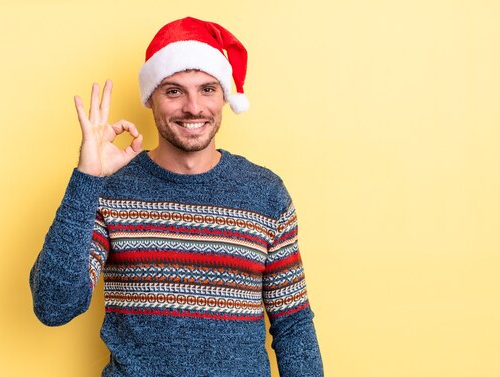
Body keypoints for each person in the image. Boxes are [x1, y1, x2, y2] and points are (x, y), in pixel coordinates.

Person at [30, 17, 323, 376]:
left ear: (224, 96)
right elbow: (54, 306)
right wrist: (87, 179)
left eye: (207, 89)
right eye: (174, 91)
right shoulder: (111, 189)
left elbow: (293, 325)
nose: (193, 107)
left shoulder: (265, 193)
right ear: (151, 99)